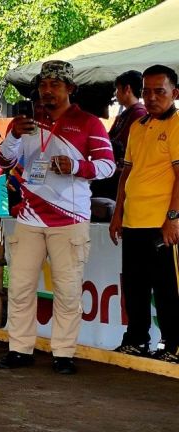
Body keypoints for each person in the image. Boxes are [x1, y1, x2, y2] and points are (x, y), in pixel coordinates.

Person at [0, 60, 115, 375]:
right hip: (30, 218)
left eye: (55, 85)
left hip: (70, 220)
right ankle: (20, 349)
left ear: (70, 89)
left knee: (68, 290)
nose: (47, 91)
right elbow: (5, 160)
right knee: (20, 287)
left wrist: (77, 167)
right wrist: (13, 137)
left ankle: (64, 354)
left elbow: (107, 166)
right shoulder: (25, 122)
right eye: (43, 86)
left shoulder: (89, 123)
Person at [109, 64, 179, 362]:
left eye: (159, 92)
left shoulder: (177, 125)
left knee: (167, 290)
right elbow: (126, 173)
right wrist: (117, 213)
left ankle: (174, 346)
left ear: (174, 93)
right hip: (133, 220)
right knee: (135, 287)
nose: (151, 98)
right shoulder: (137, 126)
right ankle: (136, 340)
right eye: (146, 91)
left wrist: (173, 218)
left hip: (162, 223)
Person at [91, 71, 147, 202]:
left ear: (127, 89)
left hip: (124, 171)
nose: (115, 94)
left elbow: (122, 143)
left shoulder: (138, 114)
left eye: (117, 89)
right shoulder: (124, 114)